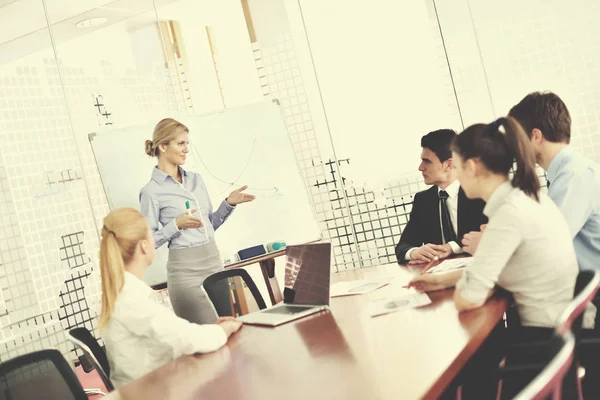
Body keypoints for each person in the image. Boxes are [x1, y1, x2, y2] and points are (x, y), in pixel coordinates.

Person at [409, 117, 578, 399]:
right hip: (555, 330)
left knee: (457, 363)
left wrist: (462, 284)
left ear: (471, 167)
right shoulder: (527, 197)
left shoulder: (508, 214)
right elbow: (496, 268)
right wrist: (439, 280)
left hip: (539, 342)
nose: (458, 178)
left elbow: (469, 298)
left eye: (459, 167)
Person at [98, 207, 242, 388]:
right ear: (144, 246)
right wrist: (225, 329)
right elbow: (185, 338)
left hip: (151, 384)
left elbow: (171, 336)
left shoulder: (122, 292)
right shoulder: (131, 300)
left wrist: (209, 332)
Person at [140, 118, 255, 324]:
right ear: (163, 146)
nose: (186, 150)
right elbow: (148, 243)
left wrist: (229, 203)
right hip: (186, 274)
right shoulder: (151, 192)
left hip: (214, 264)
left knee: (228, 330)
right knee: (209, 338)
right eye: (181, 144)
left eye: (187, 144)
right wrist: (176, 225)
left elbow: (208, 225)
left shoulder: (196, 180)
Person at [395, 129, 487, 264]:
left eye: (427, 161)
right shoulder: (423, 200)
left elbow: (488, 235)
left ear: (449, 164)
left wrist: (452, 247)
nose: (421, 167)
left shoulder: (480, 193)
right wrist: (414, 252)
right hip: (439, 275)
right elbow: (403, 246)